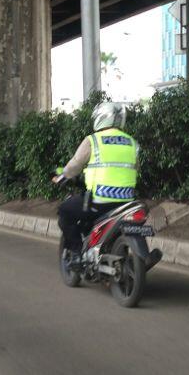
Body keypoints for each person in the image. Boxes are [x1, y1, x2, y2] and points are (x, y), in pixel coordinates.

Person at [53, 102, 139, 268]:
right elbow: (135, 168)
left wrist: (62, 176)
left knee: (65, 211)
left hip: (99, 201)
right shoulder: (132, 143)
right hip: (126, 202)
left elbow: (75, 165)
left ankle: (77, 254)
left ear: (101, 118)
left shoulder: (93, 141)